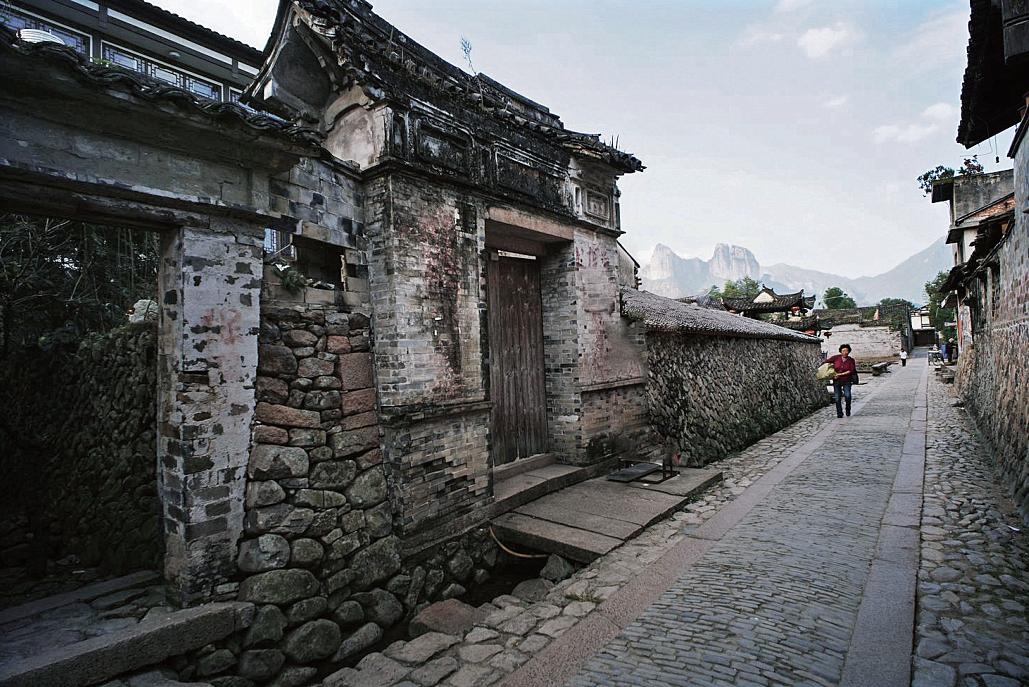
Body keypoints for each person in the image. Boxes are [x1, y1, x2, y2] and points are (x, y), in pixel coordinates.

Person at [825, 344, 858, 418]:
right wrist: (831, 372)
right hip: (836, 380)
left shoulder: (851, 360)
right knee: (837, 397)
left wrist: (839, 374)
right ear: (840, 351)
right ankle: (839, 413)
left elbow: (851, 370)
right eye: (843, 351)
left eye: (846, 351)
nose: (845, 352)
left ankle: (848, 409)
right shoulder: (836, 358)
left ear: (849, 351)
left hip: (847, 380)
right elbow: (826, 363)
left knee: (847, 395)